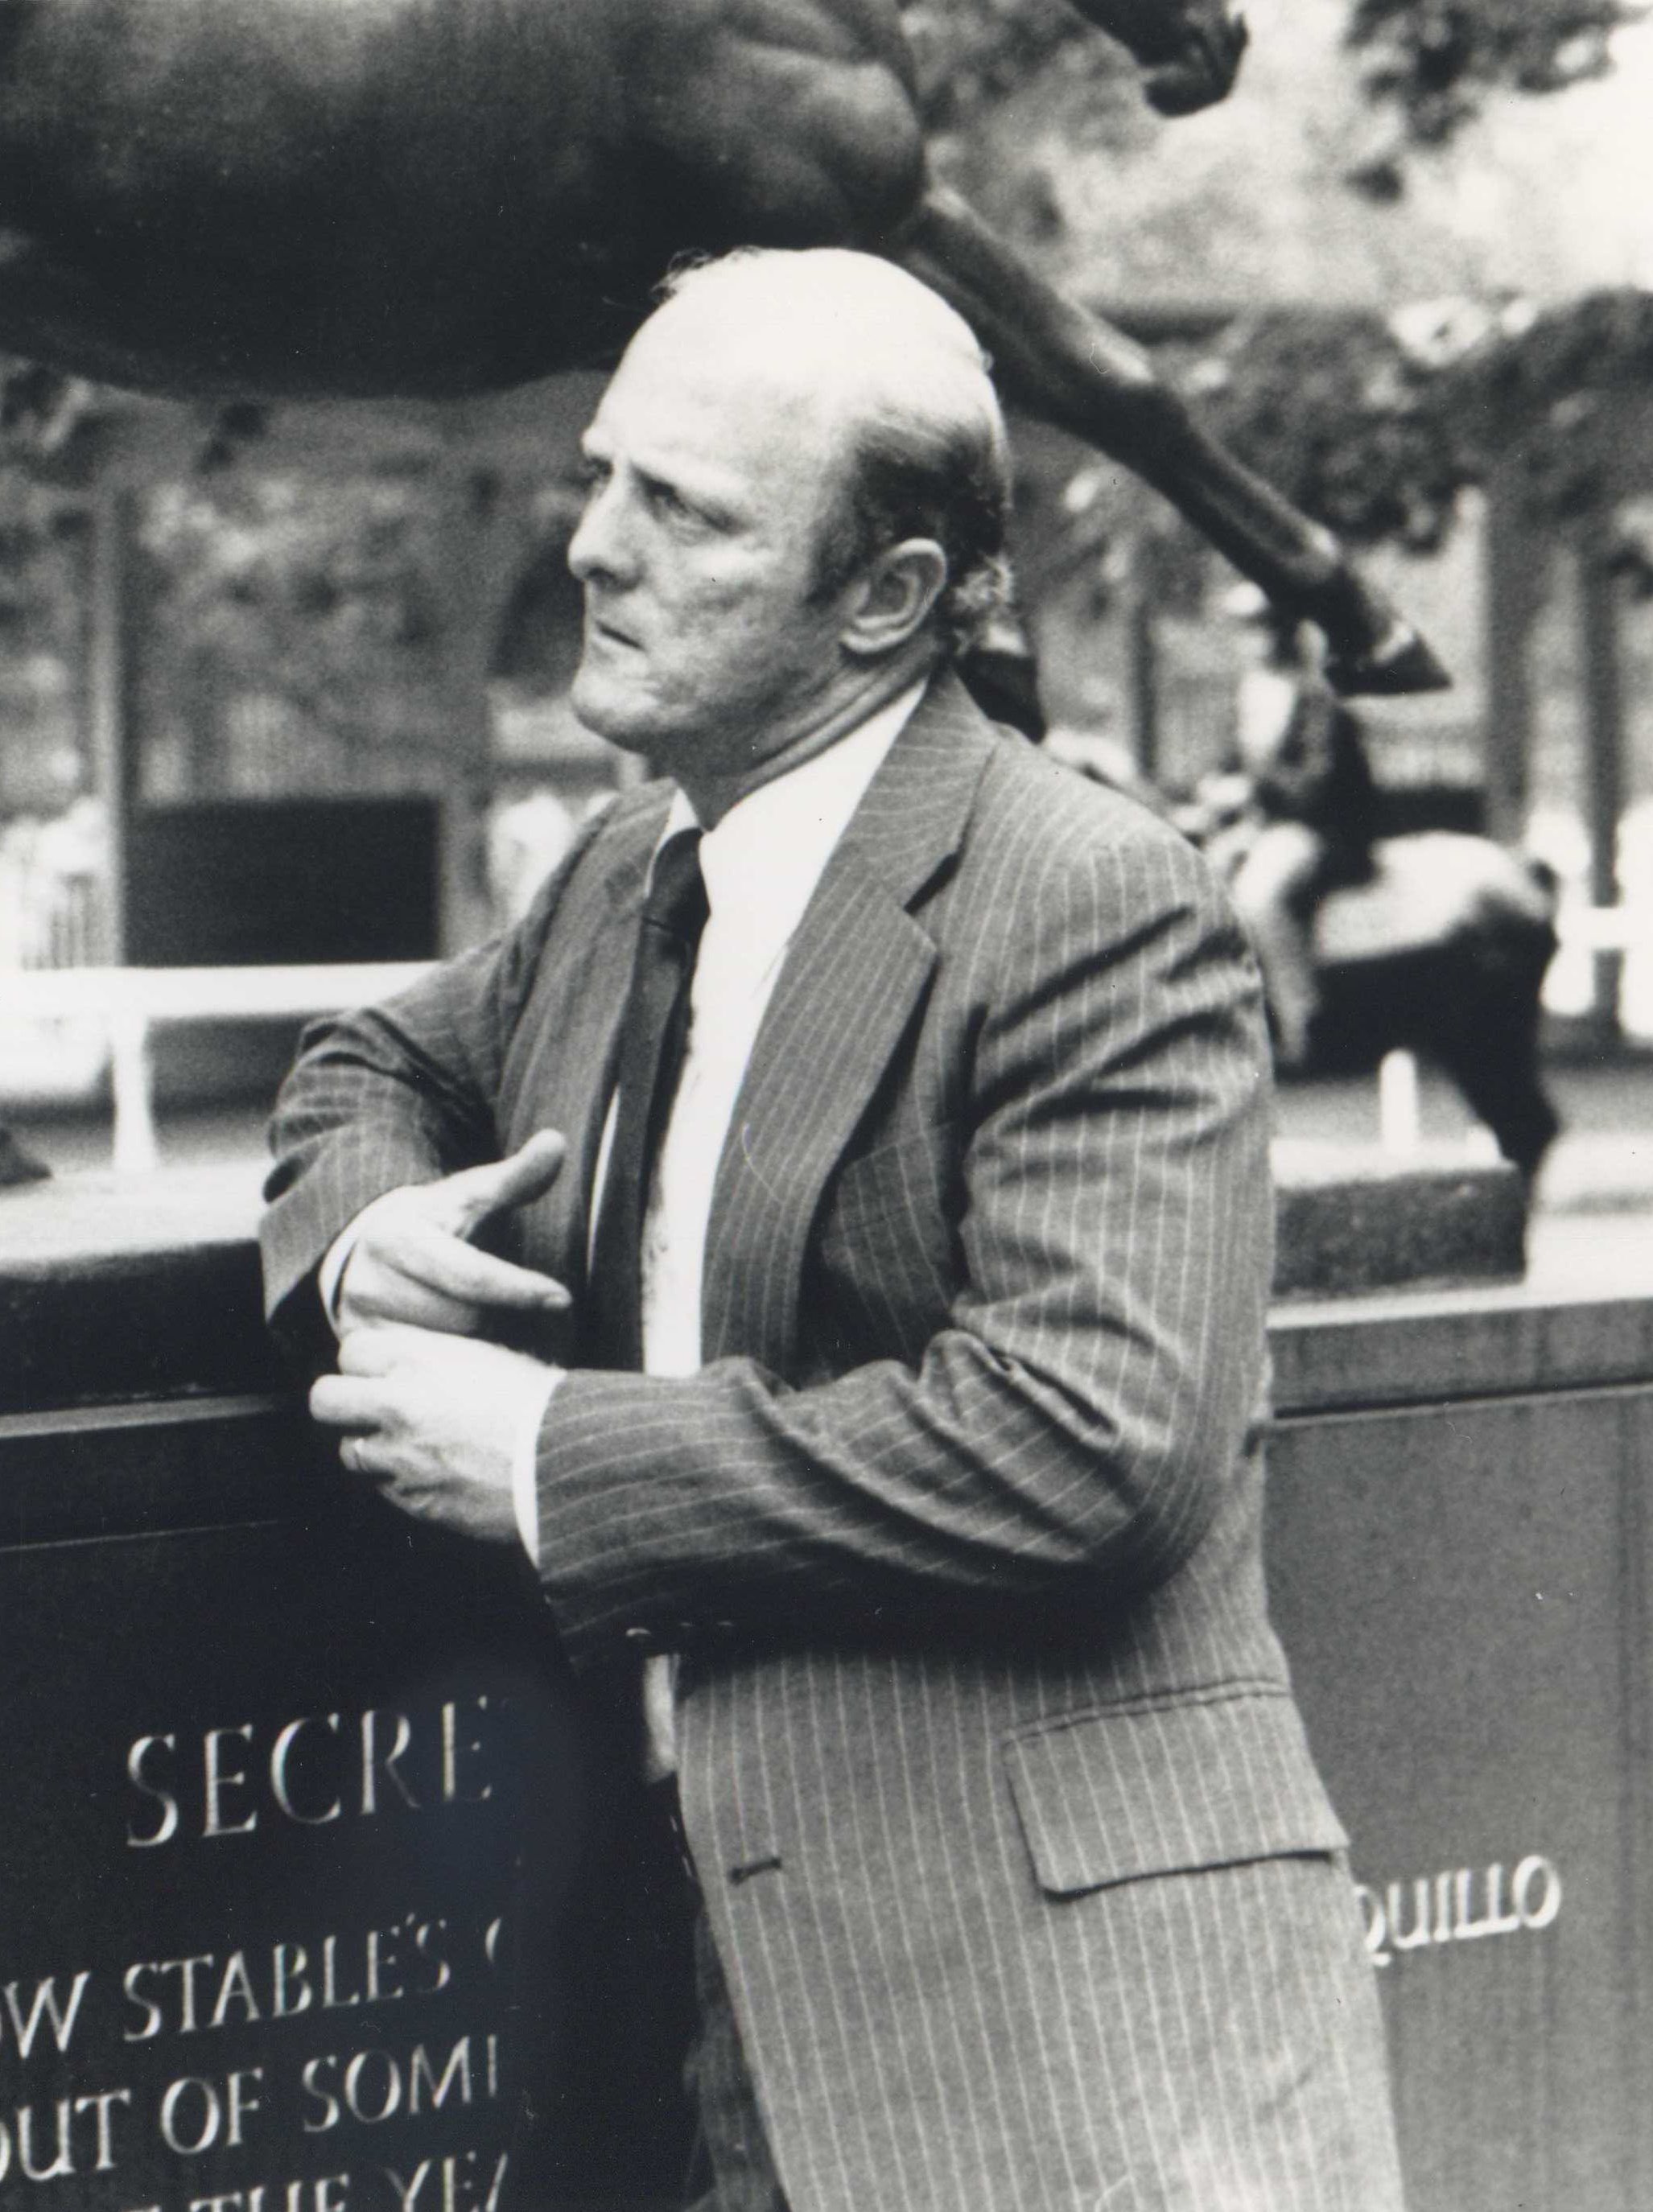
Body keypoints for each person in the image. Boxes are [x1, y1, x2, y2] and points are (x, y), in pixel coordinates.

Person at [261, 248, 1404, 2212]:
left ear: (885, 600)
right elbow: (372, 1056)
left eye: (680, 510)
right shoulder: (636, 863)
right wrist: (373, 1242)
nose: (593, 551)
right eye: (603, 476)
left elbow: (1082, 1445)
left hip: (1053, 2057)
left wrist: (541, 1451)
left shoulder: (1089, 895)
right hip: (678, 2023)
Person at [1220, 620, 1383, 1068]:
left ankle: (1303, 1020)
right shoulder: (1248, 694)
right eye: (1245, 630)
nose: (1248, 640)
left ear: (1280, 634)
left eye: (1258, 628)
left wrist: (1258, 779)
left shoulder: (1315, 700)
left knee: (1259, 896)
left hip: (1315, 829)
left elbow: (1315, 786)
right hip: (1261, 826)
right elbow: (1228, 767)